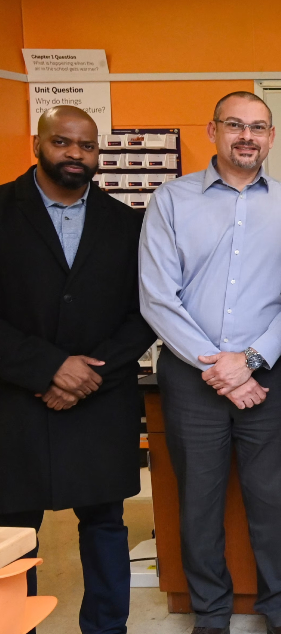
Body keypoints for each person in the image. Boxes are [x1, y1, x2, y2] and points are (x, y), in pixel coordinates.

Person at [139, 91, 281, 634]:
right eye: (234, 125)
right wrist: (221, 369)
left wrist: (252, 360)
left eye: (258, 127)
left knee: (275, 503)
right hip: (191, 381)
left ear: (272, 137)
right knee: (199, 503)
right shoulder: (171, 200)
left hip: (271, 378)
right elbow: (158, 298)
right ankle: (210, 616)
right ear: (211, 129)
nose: (246, 137)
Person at [0, 106, 156, 634]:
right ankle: (17, 626)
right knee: (14, 534)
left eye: (86, 146)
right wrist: (48, 369)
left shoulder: (129, 222)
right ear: (37, 144)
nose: (75, 154)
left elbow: (145, 312)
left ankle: (108, 628)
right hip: (16, 400)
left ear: (98, 153)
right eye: (63, 143)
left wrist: (90, 373)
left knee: (106, 526)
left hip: (100, 399)